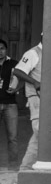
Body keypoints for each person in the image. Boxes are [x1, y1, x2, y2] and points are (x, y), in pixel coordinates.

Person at [13, 37, 42, 171]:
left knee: (39, 134)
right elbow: (18, 71)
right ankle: (27, 166)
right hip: (35, 98)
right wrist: (35, 82)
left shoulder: (50, 53)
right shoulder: (33, 53)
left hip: (46, 99)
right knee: (40, 131)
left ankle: (26, 167)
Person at [0, 39, 19, 170]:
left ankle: (13, 166)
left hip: (10, 104)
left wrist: (16, 89)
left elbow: (22, 79)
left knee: (12, 137)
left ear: (6, 50)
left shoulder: (14, 63)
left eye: (2, 48)